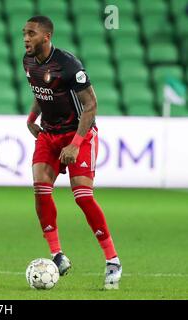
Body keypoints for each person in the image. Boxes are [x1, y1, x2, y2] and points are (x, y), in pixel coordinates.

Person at [22, 15, 122, 289]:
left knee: (82, 196)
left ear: (46, 36)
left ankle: (112, 261)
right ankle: (57, 255)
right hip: (49, 133)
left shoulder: (68, 65)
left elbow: (91, 106)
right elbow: (40, 91)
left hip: (79, 133)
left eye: (31, 34)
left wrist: (75, 144)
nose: (26, 39)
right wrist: (31, 118)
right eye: (24, 33)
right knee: (40, 189)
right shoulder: (28, 61)